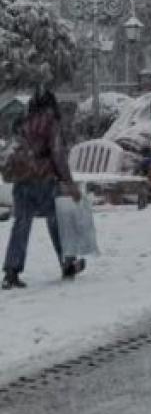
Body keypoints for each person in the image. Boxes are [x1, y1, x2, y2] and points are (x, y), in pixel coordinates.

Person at [3, 90, 85, 289]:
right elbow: (57, 154)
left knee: (21, 225)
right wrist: (69, 182)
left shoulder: (22, 121)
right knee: (58, 222)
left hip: (21, 180)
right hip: (43, 180)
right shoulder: (50, 123)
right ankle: (68, 263)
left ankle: (11, 272)